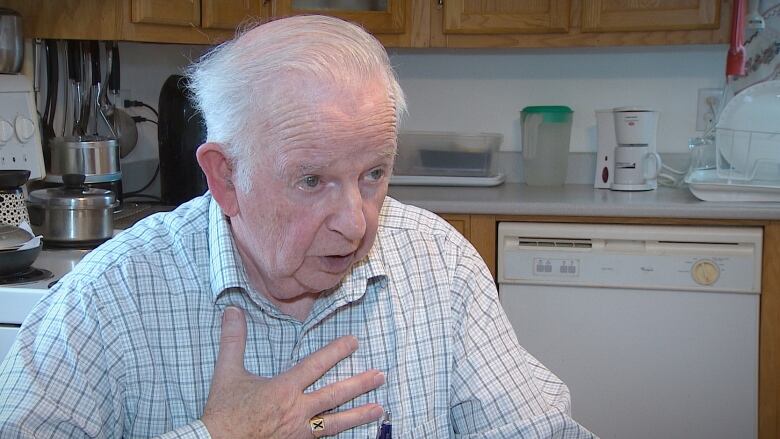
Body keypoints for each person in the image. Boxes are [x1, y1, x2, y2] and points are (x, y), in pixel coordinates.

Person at [0, 15, 595, 439]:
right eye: (312, 180)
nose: (356, 223)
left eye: (373, 173)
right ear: (225, 178)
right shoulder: (109, 296)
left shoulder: (441, 264)